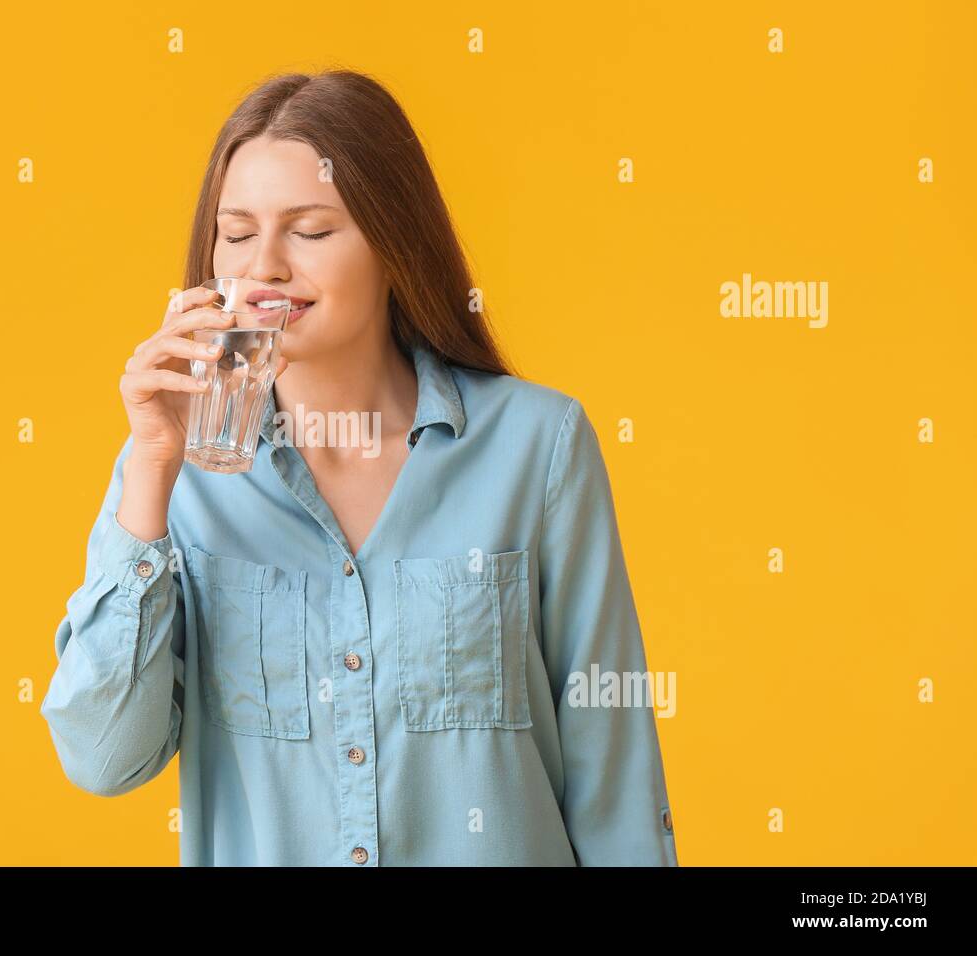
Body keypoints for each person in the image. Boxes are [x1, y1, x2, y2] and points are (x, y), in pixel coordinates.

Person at [40, 69, 679, 866]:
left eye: (309, 231)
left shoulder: (537, 446)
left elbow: (611, 770)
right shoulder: (176, 477)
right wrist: (151, 466)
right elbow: (102, 759)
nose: (265, 266)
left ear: (392, 240)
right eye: (237, 234)